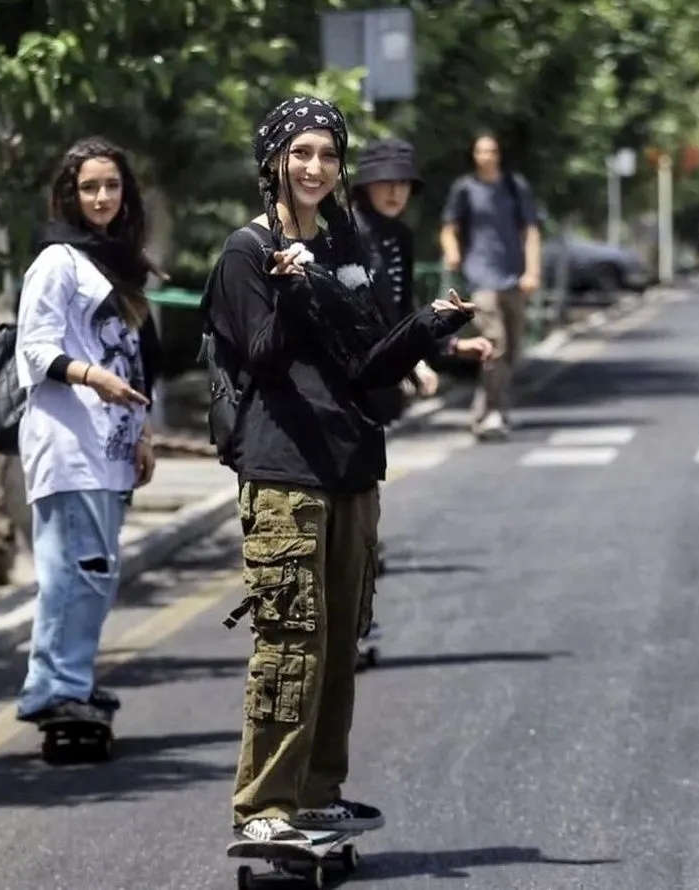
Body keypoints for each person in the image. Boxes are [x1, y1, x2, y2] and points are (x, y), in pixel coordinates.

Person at [201, 96, 474, 844]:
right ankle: (264, 806)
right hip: (284, 469)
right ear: (273, 162)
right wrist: (291, 294)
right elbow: (261, 355)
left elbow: (366, 362)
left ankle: (318, 792)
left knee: (339, 642)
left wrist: (429, 329)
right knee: (290, 643)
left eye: (327, 154)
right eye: (301, 153)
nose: (315, 167)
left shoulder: (343, 246)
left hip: (352, 465)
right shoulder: (247, 251)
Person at [13, 136, 162, 725]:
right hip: (68, 440)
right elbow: (34, 347)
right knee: (72, 571)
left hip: (109, 444)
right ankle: (53, 688)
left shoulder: (114, 260)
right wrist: (91, 377)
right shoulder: (57, 261)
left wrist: (142, 433)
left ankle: (72, 677)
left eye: (111, 185)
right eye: (89, 187)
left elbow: (135, 355)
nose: (102, 197)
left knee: (96, 571)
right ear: (69, 195)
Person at [348, 135, 492, 653]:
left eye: (403, 184)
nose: (394, 192)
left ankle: (355, 625)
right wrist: (412, 358)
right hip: (342, 383)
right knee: (349, 512)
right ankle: (346, 628)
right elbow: (361, 315)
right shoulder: (343, 233)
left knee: (362, 508)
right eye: (384, 182)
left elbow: (402, 311)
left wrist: (448, 345)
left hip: (375, 386)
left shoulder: (399, 237)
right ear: (365, 185)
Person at [439, 131, 541, 441]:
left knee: (511, 351)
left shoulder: (514, 186)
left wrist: (532, 272)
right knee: (495, 344)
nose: (486, 156)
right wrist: (453, 253)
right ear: (473, 155)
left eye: (491, 151)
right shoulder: (465, 189)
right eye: (481, 151)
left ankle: (489, 412)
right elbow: (449, 228)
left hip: (513, 276)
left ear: (499, 154)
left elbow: (531, 231)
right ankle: (491, 414)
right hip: (481, 276)